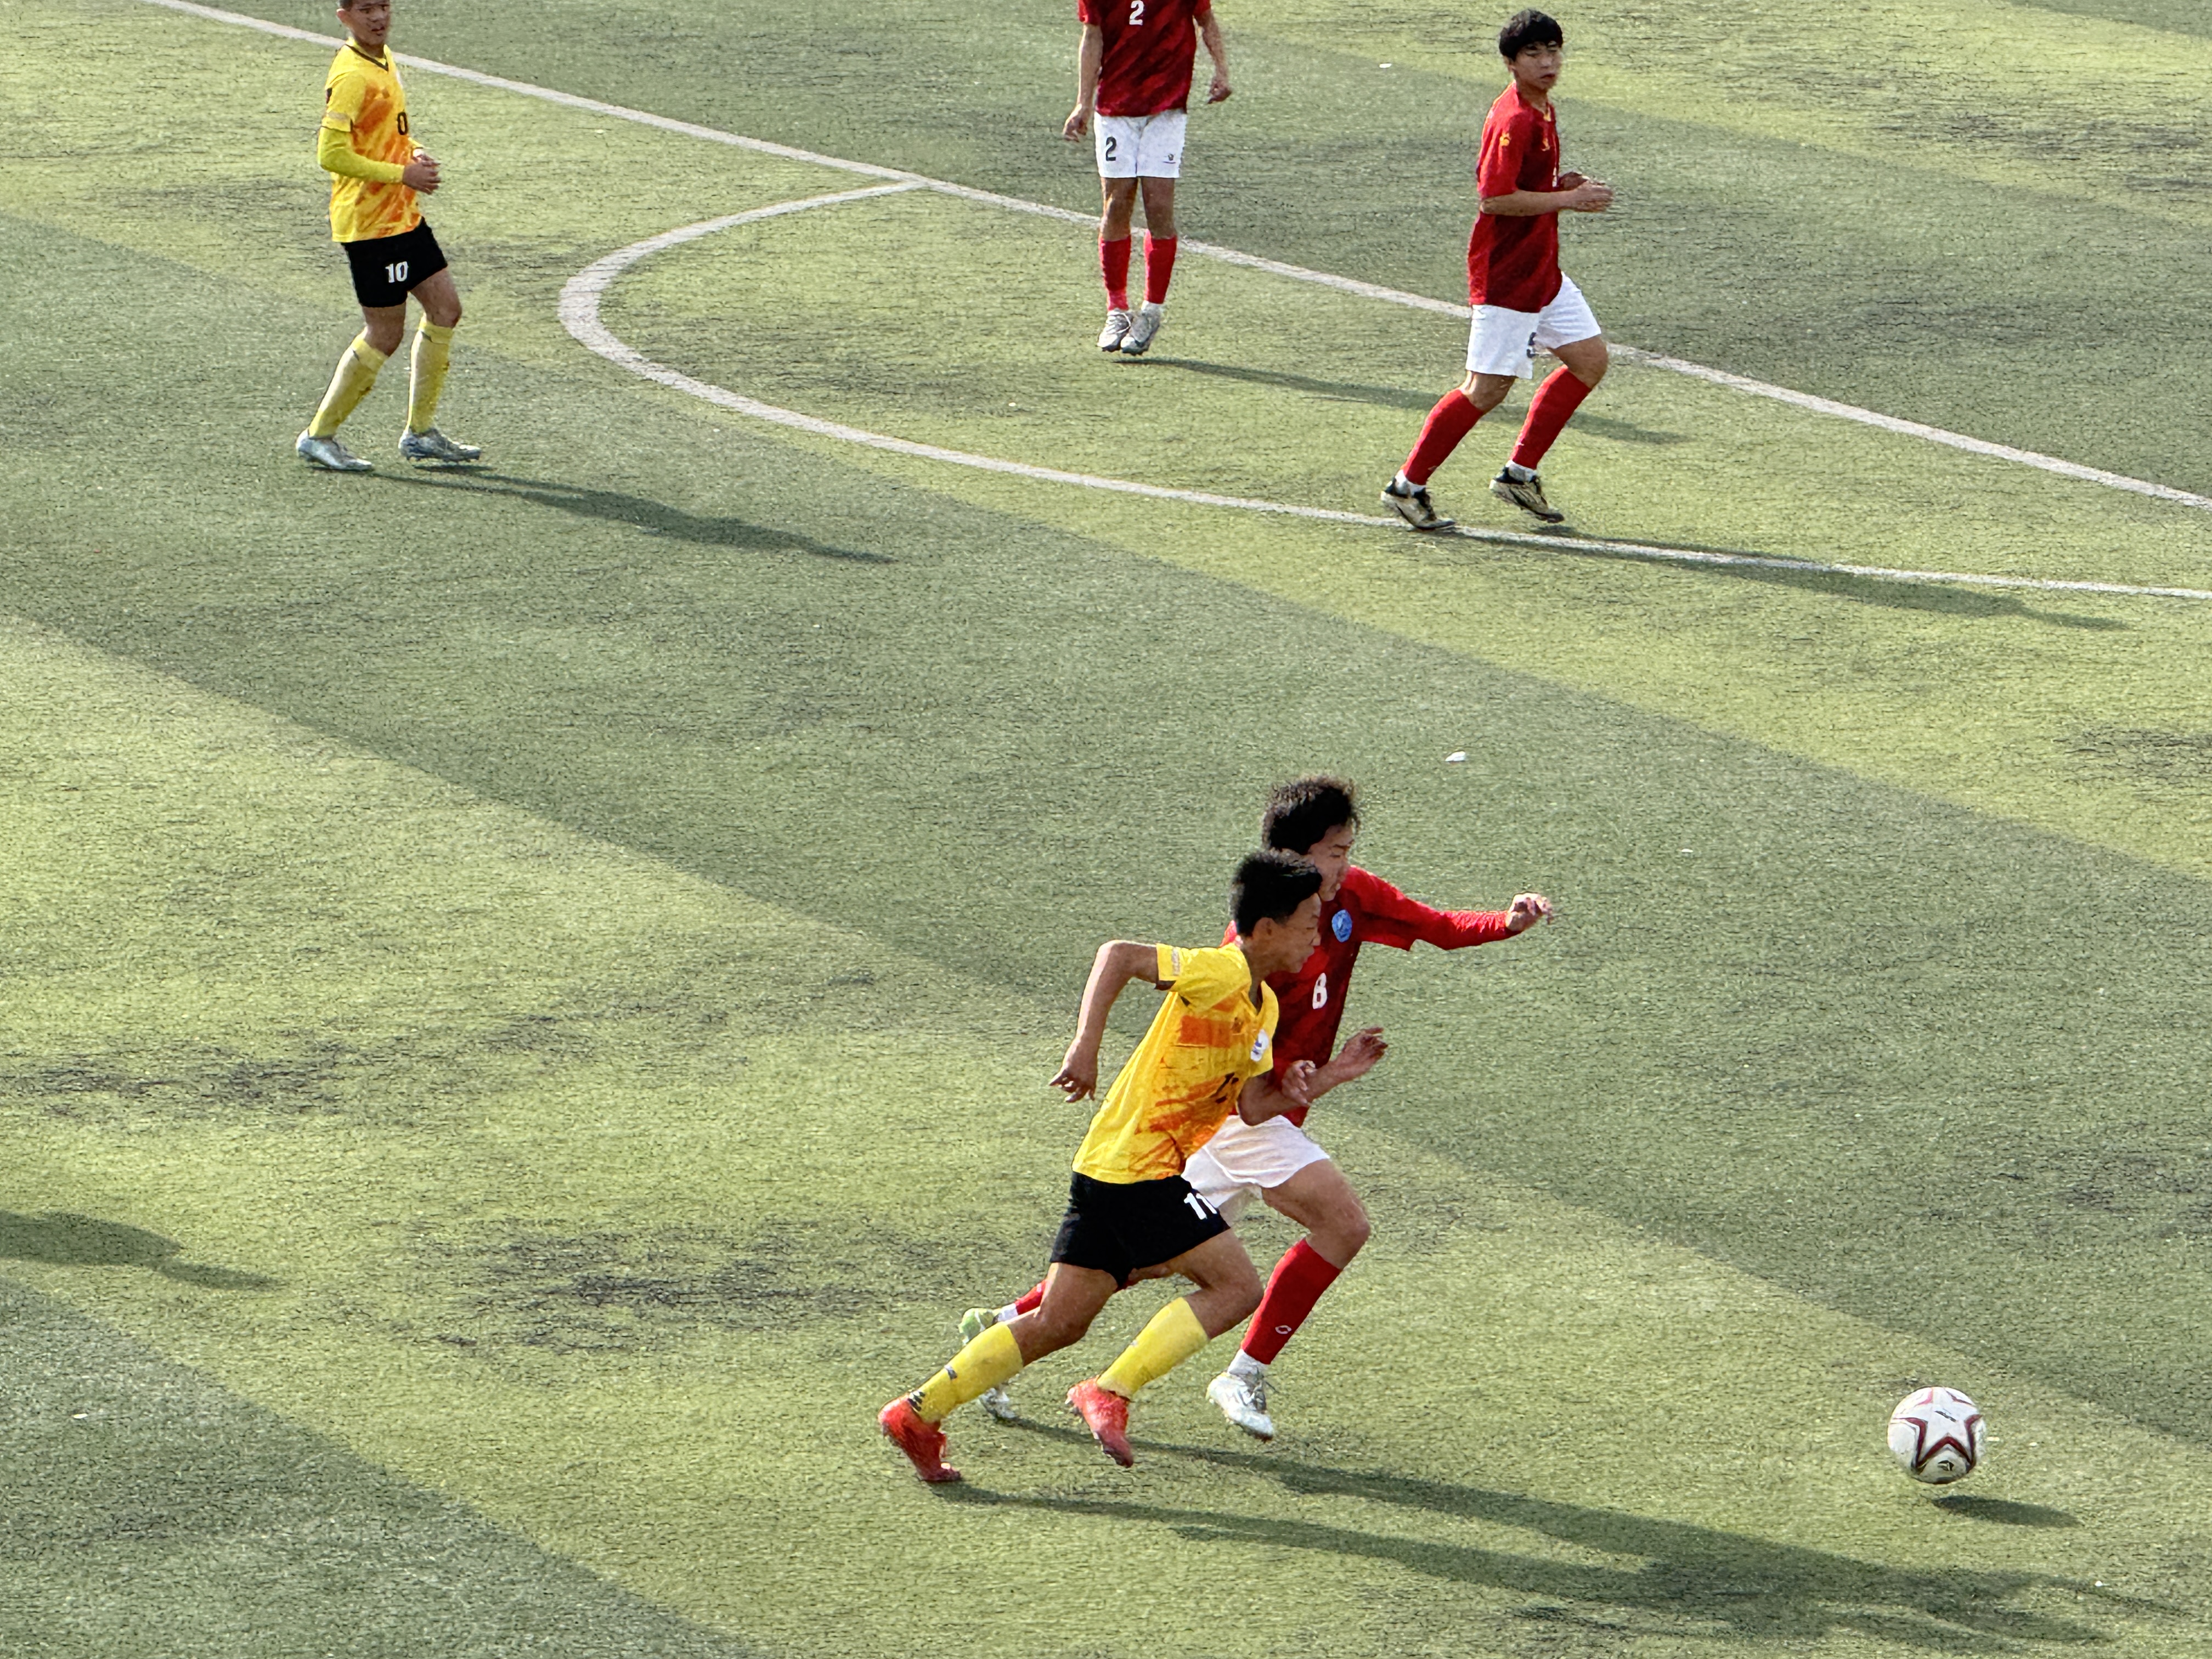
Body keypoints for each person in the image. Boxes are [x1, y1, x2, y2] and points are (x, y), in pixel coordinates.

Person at [957, 777, 1553, 1438]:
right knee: (1342, 1225)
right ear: (1292, 861)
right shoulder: (1260, 943)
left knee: (1136, 1261)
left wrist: (1506, 923)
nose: (1345, 866)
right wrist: (1295, 1079)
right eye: (1334, 853)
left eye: (1348, 851)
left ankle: (1005, 1328)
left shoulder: (1352, 896)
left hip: (1253, 1117)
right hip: (1244, 1115)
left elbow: (1432, 925)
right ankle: (1237, 1375)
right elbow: (1201, 1021)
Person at [879, 851, 1323, 1483]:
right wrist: (1085, 1046)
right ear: (1268, 928)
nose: (1316, 936)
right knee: (1237, 1288)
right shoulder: (1220, 969)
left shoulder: (1265, 1008)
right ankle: (1111, 1390)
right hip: (1140, 1169)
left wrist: (1318, 1079)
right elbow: (1118, 955)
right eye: (1309, 923)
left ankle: (917, 1414)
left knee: (1058, 1323)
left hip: (1110, 1167)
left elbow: (1251, 1105)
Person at [1381, 8, 1610, 530]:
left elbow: (1524, 186)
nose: (1548, 62)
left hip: (1542, 271)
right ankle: (1407, 487)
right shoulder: (1515, 119)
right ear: (1511, 62)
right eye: (1534, 53)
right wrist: (1568, 200)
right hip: (1508, 276)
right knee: (1484, 391)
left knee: (1589, 361)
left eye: (1553, 51)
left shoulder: (1542, 108)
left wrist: (1559, 185)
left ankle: (1518, 476)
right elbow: (1494, 199)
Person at [296, 0, 480, 472]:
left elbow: (384, 134)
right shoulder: (352, 75)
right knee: (384, 333)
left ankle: (421, 433)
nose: (378, 17)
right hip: (371, 226)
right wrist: (402, 174)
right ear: (344, 17)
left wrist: (412, 151)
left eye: (383, 6)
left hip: (402, 216)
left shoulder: (383, 58)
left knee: (446, 310)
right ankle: (319, 436)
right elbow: (330, 154)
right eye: (365, 9)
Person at [1062, 0, 1231, 357]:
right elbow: (1093, 35)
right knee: (1116, 205)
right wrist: (1083, 102)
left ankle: (1152, 311)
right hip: (1116, 107)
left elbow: (1206, 20)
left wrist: (1222, 71)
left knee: (1158, 207)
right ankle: (1117, 310)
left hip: (1166, 109)